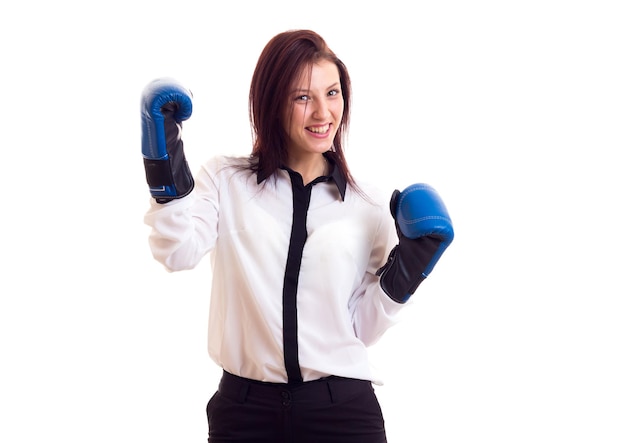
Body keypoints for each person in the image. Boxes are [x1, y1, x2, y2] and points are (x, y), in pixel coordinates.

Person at [140, 29, 453, 443]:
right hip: (244, 413)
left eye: (333, 93)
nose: (323, 112)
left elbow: (360, 328)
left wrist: (408, 272)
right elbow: (176, 251)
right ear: (271, 103)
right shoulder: (225, 180)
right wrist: (163, 163)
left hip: (342, 413)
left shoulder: (369, 205)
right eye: (302, 97)